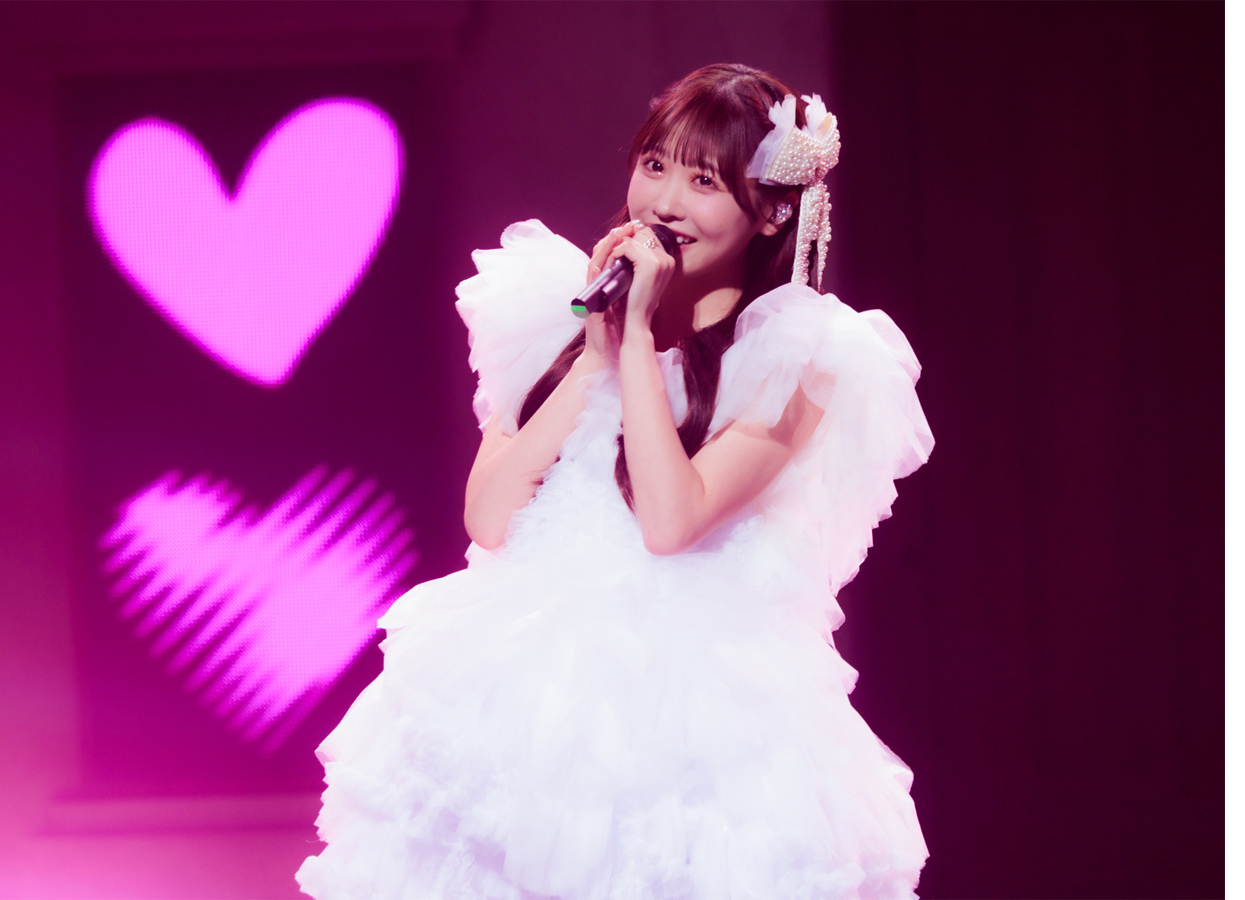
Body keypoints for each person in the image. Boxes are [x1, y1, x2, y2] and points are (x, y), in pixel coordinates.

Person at [297, 63, 933, 900]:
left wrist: (633, 343)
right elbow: (488, 517)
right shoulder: (559, 320)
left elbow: (670, 522)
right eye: (654, 165)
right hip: (518, 717)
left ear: (774, 210)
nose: (664, 202)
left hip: (692, 736)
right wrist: (595, 357)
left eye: (703, 181)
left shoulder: (796, 362)